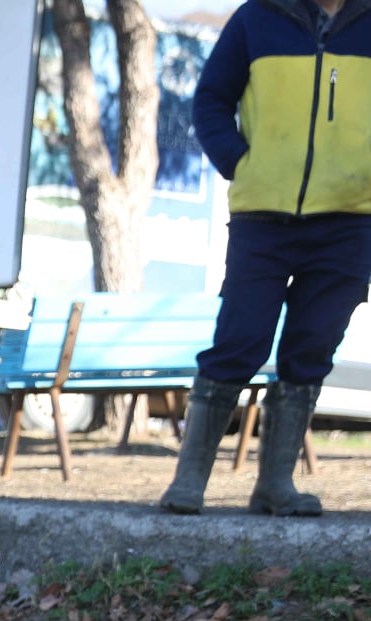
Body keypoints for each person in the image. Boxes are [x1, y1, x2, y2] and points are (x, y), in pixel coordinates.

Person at [160, 0, 371, 517]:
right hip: (262, 216)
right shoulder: (258, 17)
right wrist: (240, 162)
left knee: (312, 346)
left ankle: (275, 485)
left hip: (350, 220)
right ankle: (189, 481)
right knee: (240, 339)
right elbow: (211, 98)